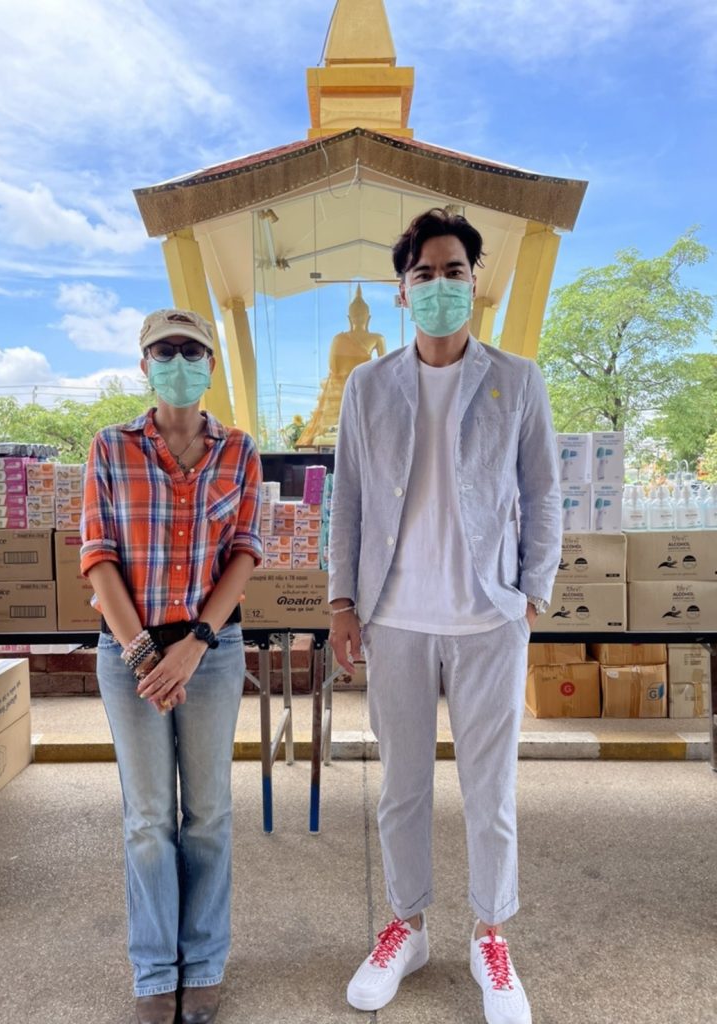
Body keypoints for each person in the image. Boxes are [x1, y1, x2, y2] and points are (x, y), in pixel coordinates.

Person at [328, 209, 561, 1024]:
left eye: (452, 271)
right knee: (402, 788)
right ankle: (408, 925)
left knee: (490, 792)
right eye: (422, 274)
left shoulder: (517, 380)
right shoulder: (367, 386)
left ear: (474, 282)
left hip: (488, 618)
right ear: (401, 292)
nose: (438, 285)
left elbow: (542, 492)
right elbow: (347, 500)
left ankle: (490, 936)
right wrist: (342, 601)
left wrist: (531, 592)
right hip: (395, 617)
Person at [80, 308, 262, 1024]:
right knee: (148, 816)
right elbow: (98, 555)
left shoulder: (239, 451)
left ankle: (204, 961)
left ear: (211, 365)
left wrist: (193, 645)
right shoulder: (110, 447)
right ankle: (156, 970)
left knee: (208, 813)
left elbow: (244, 552)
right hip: (130, 651)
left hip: (209, 652)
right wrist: (144, 656)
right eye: (165, 350)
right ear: (144, 363)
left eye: (191, 351)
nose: (178, 362)